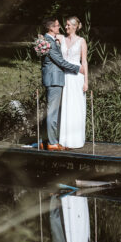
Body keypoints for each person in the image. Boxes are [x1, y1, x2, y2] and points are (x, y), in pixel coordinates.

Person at [41, 16, 82, 150]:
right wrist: (77, 68)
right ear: (51, 28)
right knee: (52, 112)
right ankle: (52, 143)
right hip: (54, 79)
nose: (60, 28)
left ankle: (45, 140)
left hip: (53, 79)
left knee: (50, 111)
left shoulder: (49, 40)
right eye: (57, 26)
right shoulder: (49, 42)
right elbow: (60, 61)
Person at [56, 16, 88, 149]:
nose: (66, 27)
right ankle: (63, 139)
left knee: (76, 106)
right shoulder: (61, 39)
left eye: (69, 25)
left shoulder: (81, 41)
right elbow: (49, 35)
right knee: (65, 105)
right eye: (66, 25)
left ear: (75, 26)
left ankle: (76, 140)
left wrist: (86, 81)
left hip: (76, 77)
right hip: (64, 76)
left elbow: (84, 61)